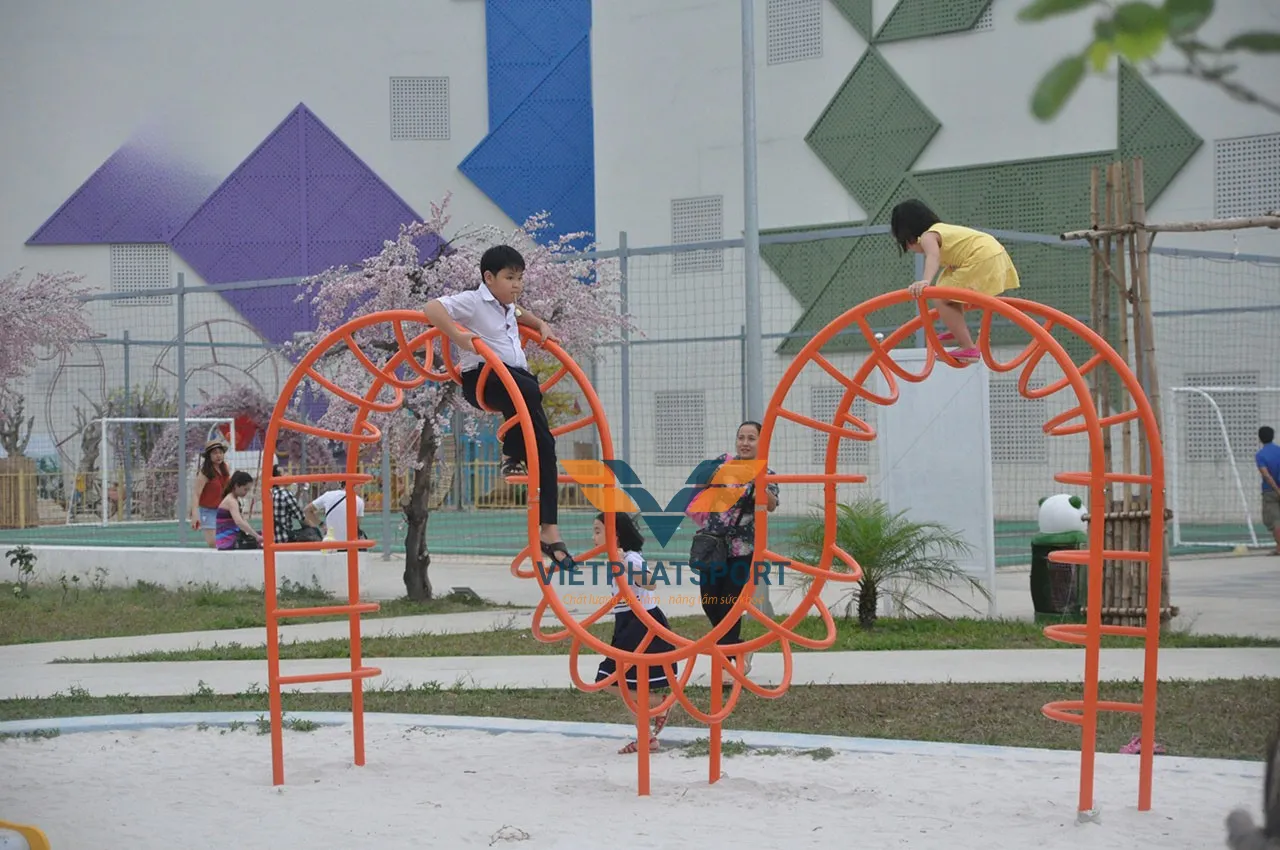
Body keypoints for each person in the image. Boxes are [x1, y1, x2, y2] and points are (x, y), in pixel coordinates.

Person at [422, 244, 576, 573]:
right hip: (485, 379)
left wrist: (541, 323)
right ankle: (511, 454)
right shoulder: (473, 301)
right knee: (529, 389)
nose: (516, 285)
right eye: (510, 278)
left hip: (515, 381)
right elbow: (431, 308)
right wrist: (457, 335)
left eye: (520, 278)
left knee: (546, 447)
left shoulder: (508, 308)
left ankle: (549, 530)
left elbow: (520, 314)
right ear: (489, 278)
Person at [686, 421, 780, 673]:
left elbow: (771, 504)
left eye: (751, 438)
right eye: (741, 437)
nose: (745, 443)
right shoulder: (722, 463)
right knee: (709, 602)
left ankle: (728, 665)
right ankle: (738, 648)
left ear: (761, 442)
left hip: (742, 551)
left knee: (729, 605)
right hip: (712, 545)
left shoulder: (767, 473)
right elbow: (701, 485)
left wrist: (757, 479)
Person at [889, 198, 1021, 363]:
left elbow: (933, 256)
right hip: (993, 252)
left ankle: (967, 347)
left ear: (909, 234)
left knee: (940, 297)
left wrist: (925, 281)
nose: (910, 249)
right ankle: (956, 328)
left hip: (981, 256)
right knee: (946, 283)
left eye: (907, 244)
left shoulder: (928, 236)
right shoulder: (942, 230)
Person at [592, 511, 676, 754]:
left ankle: (660, 704)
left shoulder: (630, 558)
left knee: (609, 680)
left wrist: (624, 564)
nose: (593, 537)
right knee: (625, 684)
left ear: (615, 535)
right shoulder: (618, 558)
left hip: (642, 624)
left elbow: (650, 582)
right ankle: (646, 738)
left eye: (598, 531)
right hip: (627, 622)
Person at [189, 438, 232, 548]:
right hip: (208, 510)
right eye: (215, 453)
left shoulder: (226, 468)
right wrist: (195, 514)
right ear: (209, 456)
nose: (218, 455)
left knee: (228, 539)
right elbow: (196, 494)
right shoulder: (204, 473)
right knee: (213, 543)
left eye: (220, 452)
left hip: (223, 509)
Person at [215, 471, 263, 550]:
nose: (246, 492)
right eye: (245, 489)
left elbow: (243, 521)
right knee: (261, 541)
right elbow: (239, 522)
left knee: (262, 534)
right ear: (236, 485)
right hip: (227, 541)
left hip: (231, 538)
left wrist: (255, 534)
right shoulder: (231, 501)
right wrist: (256, 536)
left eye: (248, 490)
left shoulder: (234, 499)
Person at [270, 463, 314, 544]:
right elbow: (301, 516)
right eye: (284, 472)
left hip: (272, 539)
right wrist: (315, 529)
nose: (288, 474)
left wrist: (298, 492)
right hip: (284, 538)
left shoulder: (271, 492)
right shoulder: (285, 494)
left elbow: (287, 506)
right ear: (279, 478)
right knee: (311, 534)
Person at [1256, 426, 1280, 555]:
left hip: (1270, 491)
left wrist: (1277, 489)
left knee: (1274, 521)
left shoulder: (1260, 455)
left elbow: (1266, 475)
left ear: (1260, 438)